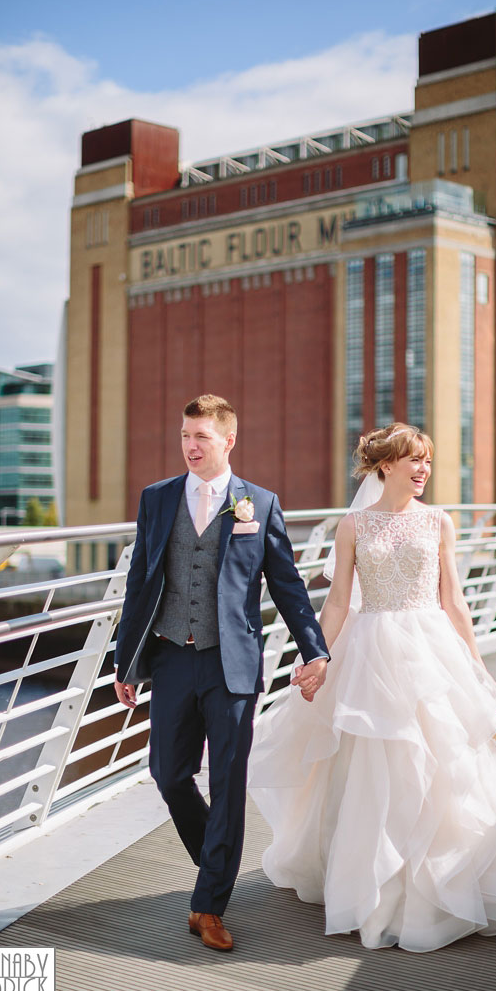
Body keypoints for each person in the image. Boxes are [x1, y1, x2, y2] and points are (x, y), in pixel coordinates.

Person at [247, 422, 496, 952]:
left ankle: (446, 881)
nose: (422, 470)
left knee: (443, 764)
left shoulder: (439, 521)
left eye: (427, 462)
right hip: (369, 650)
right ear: (384, 465)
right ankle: (373, 882)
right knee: (370, 766)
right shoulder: (354, 526)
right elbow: (339, 601)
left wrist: (479, 669)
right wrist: (317, 657)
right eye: (412, 460)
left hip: (431, 648)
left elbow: (453, 598)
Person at [113, 394, 330, 952]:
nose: (190, 445)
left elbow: (287, 585)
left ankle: (209, 904)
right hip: (170, 657)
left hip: (231, 663)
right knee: (169, 775)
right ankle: (219, 859)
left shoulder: (259, 503)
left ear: (228, 441)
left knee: (228, 783)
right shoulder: (157, 499)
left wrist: (315, 650)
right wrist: (125, 662)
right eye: (185, 435)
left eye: (201, 436)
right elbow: (140, 581)